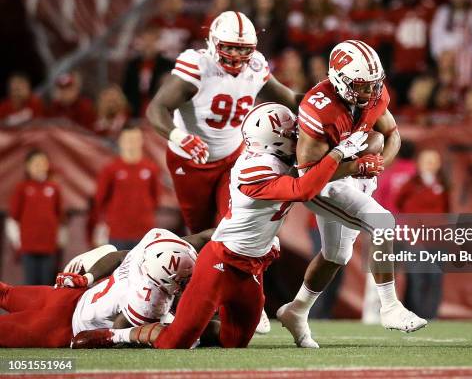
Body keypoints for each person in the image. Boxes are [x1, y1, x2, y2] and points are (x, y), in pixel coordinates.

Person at [70, 103, 369, 349]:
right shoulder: (255, 168)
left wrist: (351, 157)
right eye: (292, 134)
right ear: (274, 140)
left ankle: (179, 320)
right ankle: (116, 335)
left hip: (252, 265)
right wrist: (341, 155)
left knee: (234, 341)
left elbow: (312, 171)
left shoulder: (276, 158)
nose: (298, 138)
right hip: (221, 261)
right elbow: (304, 188)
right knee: (176, 343)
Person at [276, 40, 427, 349]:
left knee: (336, 255)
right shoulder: (320, 110)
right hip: (320, 182)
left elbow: (392, 134)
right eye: (362, 85)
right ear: (339, 79)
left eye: (374, 85)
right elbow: (307, 174)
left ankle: (296, 310)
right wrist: (356, 166)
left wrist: (379, 163)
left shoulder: (372, 94)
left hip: (349, 173)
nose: (370, 93)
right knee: (382, 222)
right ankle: (389, 307)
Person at [146, 11, 303, 234]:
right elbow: (157, 108)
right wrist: (180, 137)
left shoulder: (256, 67)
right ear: (213, 42)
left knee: (237, 220)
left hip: (232, 156)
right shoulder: (199, 66)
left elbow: (291, 99)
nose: (236, 55)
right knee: (202, 231)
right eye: (229, 47)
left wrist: (327, 99)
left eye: (243, 49)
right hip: (191, 161)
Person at [0, 228, 204, 348]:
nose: (189, 283)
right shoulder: (150, 301)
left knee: (6, 294)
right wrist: (86, 279)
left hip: (66, 309)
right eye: (185, 280)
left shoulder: (154, 250)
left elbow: (119, 256)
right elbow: (118, 332)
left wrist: (87, 279)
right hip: (64, 313)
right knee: (5, 295)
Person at [395, 149, 449, 319]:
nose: (430, 164)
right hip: (416, 239)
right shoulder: (411, 184)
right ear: (419, 163)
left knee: (435, 279)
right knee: (416, 279)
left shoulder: (444, 184)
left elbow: (447, 209)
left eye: (434, 160)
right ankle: (416, 315)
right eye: (427, 160)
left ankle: (432, 315)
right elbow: (399, 202)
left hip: (437, 240)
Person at [94, 125, 160, 251]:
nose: (132, 144)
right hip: (118, 232)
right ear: (121, 141)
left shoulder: (151, 168)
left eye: (135, 139)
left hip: (144, 232)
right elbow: (100, 199)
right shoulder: (111, 169)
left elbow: (155, 198)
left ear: (141, 141)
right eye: (128, 140)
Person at [6, 149, 66, 285]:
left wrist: (59, 240)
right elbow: (13, 218)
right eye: (35, 163)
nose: (39, 166)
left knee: (47, 285)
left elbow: (60, 217)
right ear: (28, 166)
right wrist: (18, 241)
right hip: (28, 247)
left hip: (49, 246)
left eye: (42, 162)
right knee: (31, 284)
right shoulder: (22, 188)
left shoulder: (54, 188)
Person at [122, 27, 173, 118]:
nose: (148, 44)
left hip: (158, 107)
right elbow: (127, 88)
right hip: (136, 107)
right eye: (146, 40)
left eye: (152, 40)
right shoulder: (133, 65)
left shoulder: (167, 65)